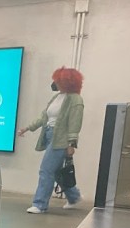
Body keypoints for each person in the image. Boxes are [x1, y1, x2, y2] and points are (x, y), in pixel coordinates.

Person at [17, 67, 84, 214]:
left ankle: (40, 204)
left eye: (58, 80)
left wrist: (72, 144)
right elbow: (43, 117)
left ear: (67, 82)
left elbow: (75, 123)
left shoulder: (75, 100)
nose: (55, 83)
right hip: (49, 135)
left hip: (60, 139)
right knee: (57, 170)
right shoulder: (56, 98)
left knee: (45, 170)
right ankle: (74, 196)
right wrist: (27, 128)